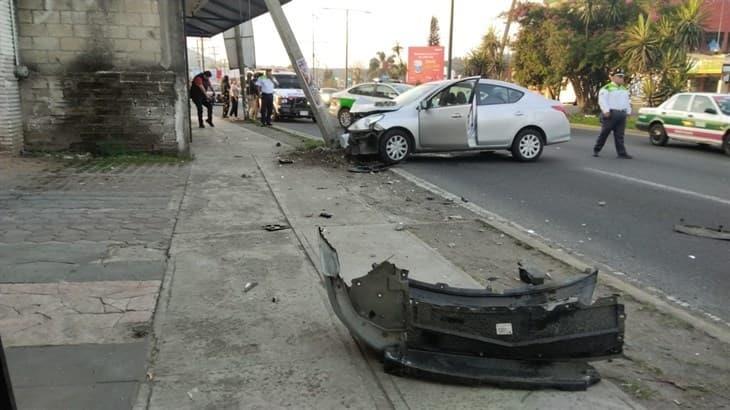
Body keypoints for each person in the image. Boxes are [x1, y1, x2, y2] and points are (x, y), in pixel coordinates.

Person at [594, 68, 632, 159]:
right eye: (619, 76)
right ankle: (597, 149)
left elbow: (627, 101)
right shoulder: (607, 88)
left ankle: (622, 153)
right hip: (611, 114)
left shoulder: (624, 89)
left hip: (621, 114)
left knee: (620, 135)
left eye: (622, 77)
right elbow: (602, 101)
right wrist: (606, 111)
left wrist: (628, 111)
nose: (621, 78)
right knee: (604, 133)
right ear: (612, 78)